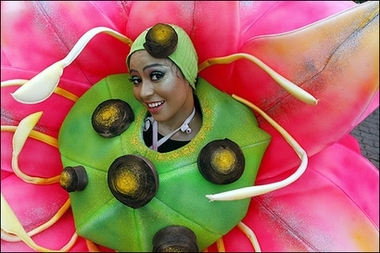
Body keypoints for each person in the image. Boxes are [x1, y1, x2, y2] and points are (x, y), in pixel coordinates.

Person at [126, 23, 202, 153]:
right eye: (136, 80)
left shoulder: (219, 144)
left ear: (187, 74)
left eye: (156, 76)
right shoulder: (125, 128)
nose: (144, 93)